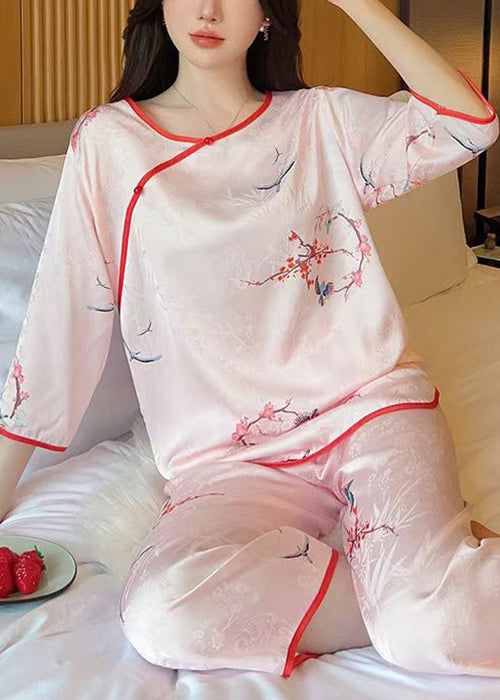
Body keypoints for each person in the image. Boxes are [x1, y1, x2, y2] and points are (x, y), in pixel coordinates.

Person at [1, 0, 499, 679]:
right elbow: (60, 328)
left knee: (426, 627)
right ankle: (421, 588)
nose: (208, 9)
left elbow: (467, 124)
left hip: (369, 416)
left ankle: (422, 595)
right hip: (228, 464)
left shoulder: (319, 121)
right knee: (161, 613)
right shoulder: (109, 143)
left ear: (267, 13)